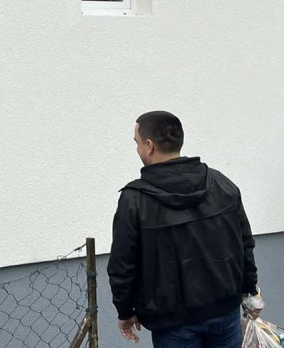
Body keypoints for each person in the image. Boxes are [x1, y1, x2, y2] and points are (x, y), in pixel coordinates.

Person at [109, 111, 259, 348]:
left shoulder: (134, 200)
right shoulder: (221, 183)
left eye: (136, 143)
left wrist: (125, 311)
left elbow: (123, 264)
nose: (137, 149)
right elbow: (245, 243)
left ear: (149, 146)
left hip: (173, 321)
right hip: (224, 309)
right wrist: (250, 290)